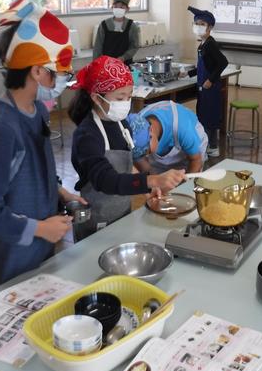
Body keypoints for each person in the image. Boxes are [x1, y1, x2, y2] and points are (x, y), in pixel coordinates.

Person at [0, 0, 84, 295]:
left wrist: (60, 191)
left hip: (38, 248)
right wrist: (41, 229)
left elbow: (35, 170)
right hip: (9, 255)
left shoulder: (38, 112)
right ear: (36, 71)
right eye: (57, 73)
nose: (60, 80)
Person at [69, 55, 185, 241]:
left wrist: (147, 187)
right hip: (97, 218)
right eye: (120, 97)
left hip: (122, 211)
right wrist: (151, 181)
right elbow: (105, 180)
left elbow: (126, 167)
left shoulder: (121, 124)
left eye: (129, 96)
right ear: (97, 98)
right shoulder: (87, 135)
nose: (125, 103)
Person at [188, 6, 228, 157]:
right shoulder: (202, 44)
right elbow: (202, 66)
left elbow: (223, 62)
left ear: (210, 27)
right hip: (202, 87)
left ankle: (212, 146)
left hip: (210, 88)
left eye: (202, 24)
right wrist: (187, 73)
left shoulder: (210, 44)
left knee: (209, 117)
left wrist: (211, 80)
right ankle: (209, 146)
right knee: (203, 115)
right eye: (196, 23)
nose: (198, 27)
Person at [127, 101, 207, 174]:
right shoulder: (135, 126)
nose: (145, 156)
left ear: (151, 131)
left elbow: (196, 160)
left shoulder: (182, 128)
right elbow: (145, 168)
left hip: (192, 154)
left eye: (147, 152)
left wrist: (185, 185)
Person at [92, 0, 140, 65]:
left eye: (121, 7)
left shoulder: (131, 26)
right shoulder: (104, 25)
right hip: (106, 64)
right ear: (112, 8)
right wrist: (96, 64)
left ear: (127, 9)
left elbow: (134, 46)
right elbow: (97, 47)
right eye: (116, 7)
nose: (118, 9)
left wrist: (123, 57)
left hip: (125, 64)